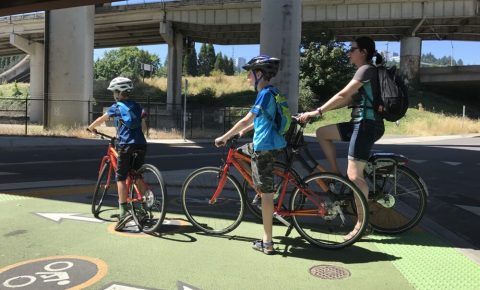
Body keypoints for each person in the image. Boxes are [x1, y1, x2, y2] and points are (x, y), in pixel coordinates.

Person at [299, 36, 385, 239]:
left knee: (355, 176)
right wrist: (316, 113)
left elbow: (341, 94)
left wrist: (316, 112)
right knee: (322, 133)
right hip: (358, 123)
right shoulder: (363, 72)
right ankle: (337, 175)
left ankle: (362, 225)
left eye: (352, 49)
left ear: (363, 52)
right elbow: (345, 100)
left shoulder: (366, 70)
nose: (349, 52)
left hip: (367, 125)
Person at [214, 55, 286, 255]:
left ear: (259, 74)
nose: (247, 77)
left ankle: (267, 242)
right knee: (239, 153)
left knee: (266, 196)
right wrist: (245, 131)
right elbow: (263, 118)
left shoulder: (264, 93)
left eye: (250, 73)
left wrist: (224, 136)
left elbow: (247, 118)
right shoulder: (273, 92)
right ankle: (261, 186)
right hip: (273, 143)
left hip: (264, 146)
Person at [87, 76, 147, 231]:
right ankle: (145, 204)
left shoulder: (116, 106)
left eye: (114, 91)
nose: (114, 94)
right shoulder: (137, 105)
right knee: (137, 174)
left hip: (125, 144)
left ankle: (123, 211)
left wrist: (91, 127)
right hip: (141, 144)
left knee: (121, 178)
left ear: (118, 93)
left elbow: (102, 118)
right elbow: (144, 124)